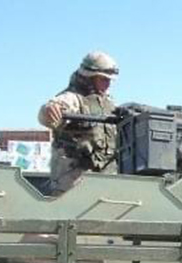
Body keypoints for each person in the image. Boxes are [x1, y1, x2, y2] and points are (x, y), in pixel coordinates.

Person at [37, 51, 120, 194]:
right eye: (103, 79)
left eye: (109, 80)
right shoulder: (72, 98)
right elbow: (49, 113)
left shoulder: (108, 103)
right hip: (74, 179)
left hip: (104, 176)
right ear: (89, 77)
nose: (108, 84)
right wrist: (49, 110)